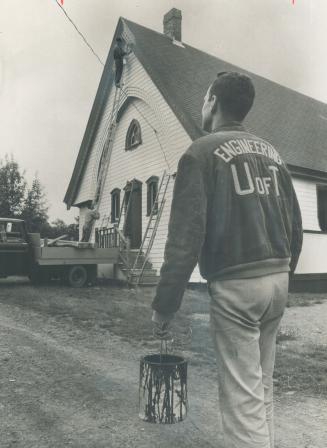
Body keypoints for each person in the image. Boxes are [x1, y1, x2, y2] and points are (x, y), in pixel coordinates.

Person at [151, 72, 303, 448]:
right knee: (260, 387)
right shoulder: (273, 153)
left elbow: (184, 240)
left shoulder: (200, 152)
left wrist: (165, 305)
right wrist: (285, 276)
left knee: (241, 401)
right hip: (278, 278)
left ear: (214, 102)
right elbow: (295, 227)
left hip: (238, 285)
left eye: (205, 98)